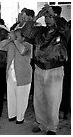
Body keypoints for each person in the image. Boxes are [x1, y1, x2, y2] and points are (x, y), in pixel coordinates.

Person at [21, 5, 68, 135]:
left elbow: (64, 26)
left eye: (50, 16)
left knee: (53, 100)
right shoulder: (40, 31)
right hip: (39, 68)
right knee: (39, 99)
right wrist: (36, 17)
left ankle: (52, 127)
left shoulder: (62, 31)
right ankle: (41, 124)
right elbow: (25, 32)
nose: (47, 19)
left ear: (57, 17)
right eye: (46, 16)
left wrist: (54, 14)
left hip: (54, 70)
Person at [0, 29, 32, 124]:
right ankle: (12, 115)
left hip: (23, 75)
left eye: (17, 36)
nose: (14, 38)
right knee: (11, 96)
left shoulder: (28, 45)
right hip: (11, 74)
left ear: (23, 37)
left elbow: (22, 51)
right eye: (14, 36)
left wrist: (15, 40)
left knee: (22, 97)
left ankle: (20, 118)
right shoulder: (11, 44)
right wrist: (9, 39)